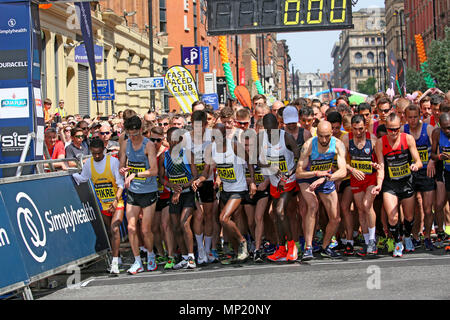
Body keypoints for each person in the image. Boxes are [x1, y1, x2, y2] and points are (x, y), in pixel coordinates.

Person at [194, 123, 256, 264]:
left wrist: (252, 181)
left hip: (238, 189)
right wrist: (200, 179)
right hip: (225, 189)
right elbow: (206, 170)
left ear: (225, 134)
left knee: (224, 218)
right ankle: (237, 253)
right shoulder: (211, 149)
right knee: (232, 221)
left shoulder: (234, 146)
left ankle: (242, 241)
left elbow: (249, 161)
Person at [296, 121, 347, 260]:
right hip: (308, 177)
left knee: (336, 218)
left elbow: (343, 171)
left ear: (332, 133)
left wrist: (324, 178)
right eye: (321, 136)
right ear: (316, 134)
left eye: (327, 137)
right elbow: (299, 173)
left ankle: (325, 247)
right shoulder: (309, 145)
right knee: (313, 206)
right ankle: (308, 248)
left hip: (325, 177)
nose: (324, 140)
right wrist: (316, 174)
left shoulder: (338, 144)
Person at [72, 138, 125, 274]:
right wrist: (70, 172)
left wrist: (115, 200)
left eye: (99, 154)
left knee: (114, 229)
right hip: (103, 204)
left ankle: (114, 263)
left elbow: (120, 184)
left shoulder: (112, 162)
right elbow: (82, 178)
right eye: (94, 153)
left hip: (116, 202)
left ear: (103, 151)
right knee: (109, 231)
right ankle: (117, 255)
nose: (96, 156)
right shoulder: (89, 164)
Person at [375, 113, 422, 257]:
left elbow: (418, 160)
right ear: (386, 128)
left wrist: (415, 165)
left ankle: (407, 236)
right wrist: (378, 184)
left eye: (396, 129)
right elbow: (381, 167)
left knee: (408, 217)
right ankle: (397, 241)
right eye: (391, 129)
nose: (394, 132)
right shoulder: (380, 143)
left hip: (406, 182)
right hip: (390, 184)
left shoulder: (408, 139)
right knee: (393, 217)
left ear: (400, 127)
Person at [120, 115, 159, 274]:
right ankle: (137, 261)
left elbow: (154, 171)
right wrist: (123, 171)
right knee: (131, 227)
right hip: (133, 191)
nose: (133, 137)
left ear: (141, 130)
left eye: (136, 134)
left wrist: (135, 175)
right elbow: (122, 165)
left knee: (145, 229)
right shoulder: (125, 144)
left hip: (148, 190)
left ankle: (151, 255)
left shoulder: (148, 145)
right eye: (130, 134)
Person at [259, 114, 300, 262]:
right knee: (276, 216)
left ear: (278, 125)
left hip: (288, 180)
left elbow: (298, 158)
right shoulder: (261, 138)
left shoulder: (286, 137)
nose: (271, 133)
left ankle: (292, 246)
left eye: (273, 129)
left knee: (279, 210)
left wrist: (288, 173)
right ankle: (281, 249)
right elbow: (259, 161)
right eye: (268, 130)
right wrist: (271, 167)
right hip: (274, 181)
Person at [341, 115, 382, 256]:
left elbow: (381, 163)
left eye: (360, 129)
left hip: (370, 178)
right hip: (355, 179)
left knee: (367, 205)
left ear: (365, 126)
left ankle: (372, 240)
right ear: (351, 127)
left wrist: (377, 166)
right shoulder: (346, 139)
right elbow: (341, 162)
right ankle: (366, 242)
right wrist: (352, 169)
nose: (358, 132)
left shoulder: (373, 140)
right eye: (355, 129)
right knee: (360, 210)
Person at [159, 127, 198, 269]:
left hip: (187, 193)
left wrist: (180, 188)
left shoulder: (188, 154)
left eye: (176, 138)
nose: (173, 141)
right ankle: (183, 256)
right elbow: (161, 177)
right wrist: (170, 184)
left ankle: (191, 257)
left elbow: (195, 175)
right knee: (175, 226)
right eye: (170, 138)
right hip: (174, 193)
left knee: (184, 223)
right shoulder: (164, 157)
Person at [403, 104, 436, 250]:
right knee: (414, 209)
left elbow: (436, 149)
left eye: (415, 117)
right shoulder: (403, 130)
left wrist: (431, 161)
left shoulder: (428, 129)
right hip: (409, 174)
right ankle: (415, 235)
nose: (413, 120)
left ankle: (427, 236)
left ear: (420, 116)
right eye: (409, 117)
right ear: (405, 117)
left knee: (428, 208)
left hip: (426, 173)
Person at [431, 112, 450, 249]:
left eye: (449, 127)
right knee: (439, 203)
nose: (447, 131)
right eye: (444, 128)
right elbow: (431, 153)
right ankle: (441, 232)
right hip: (445, 171)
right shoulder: (437, 133)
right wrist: (438, 157)